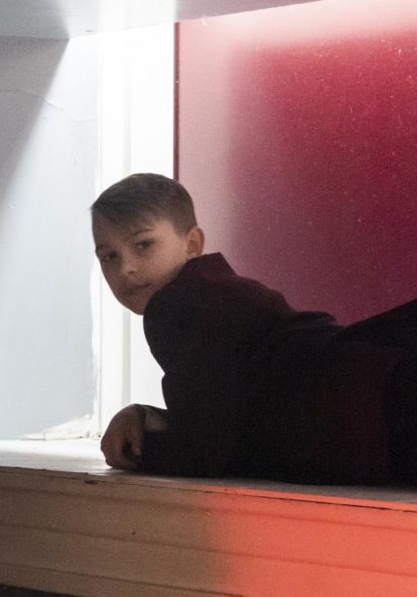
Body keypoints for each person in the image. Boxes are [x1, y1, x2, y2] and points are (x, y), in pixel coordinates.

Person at [91, 173, 417, 485]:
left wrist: (141, 448)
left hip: (372, 415)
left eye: (143, 245)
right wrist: (150, 417)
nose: (126, 268)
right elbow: (225, 418)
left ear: (192, 244)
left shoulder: (176, 303)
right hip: (378, 395)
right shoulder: (223, 291)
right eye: (108, 256)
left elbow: (204, 450)